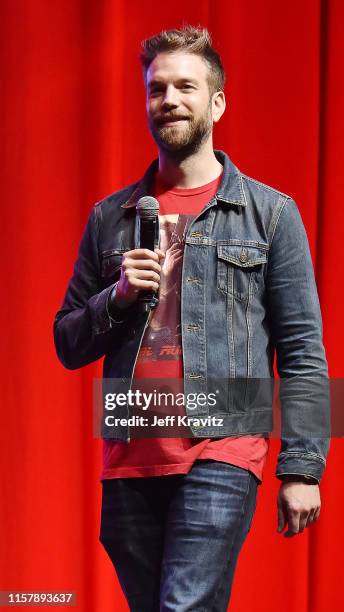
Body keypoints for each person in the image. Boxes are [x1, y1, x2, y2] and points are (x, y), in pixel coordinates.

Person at [54, 26, 330, 611]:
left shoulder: (270, 214)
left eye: (186, 87)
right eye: (157, 89)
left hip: (222, 445)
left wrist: (303, 466)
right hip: (129, 450)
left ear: (217, 102)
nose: (170, 100)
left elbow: (303, 349)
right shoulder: (111, 217)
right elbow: (66, 341)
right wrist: (118, 297)